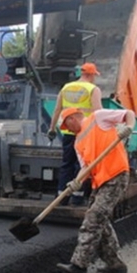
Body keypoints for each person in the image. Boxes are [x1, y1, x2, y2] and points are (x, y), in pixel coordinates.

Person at [55, 106, 136, 273]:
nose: (67, 129)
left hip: (116, 175)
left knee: (93, 218)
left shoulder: (98, 117)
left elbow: (129, 114)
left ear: (73, 118)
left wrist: (128, 127)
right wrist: (77, 181)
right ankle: (115, 264)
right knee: (100, 221)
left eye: (67, 124)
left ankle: (79, 265)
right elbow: (85, 167)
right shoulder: (78, 142)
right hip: (100, 182)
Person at [48, 62, 103, 205]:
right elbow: (98, 112)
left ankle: (62, 197)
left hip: (67, 131)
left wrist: (52, 128)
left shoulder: (66, 88)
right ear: (90, 75)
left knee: (67, 163)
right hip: (85, 133)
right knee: (81, 164)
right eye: (94, 76)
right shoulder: (93, 89)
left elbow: (57, 110)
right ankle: (77, 198)